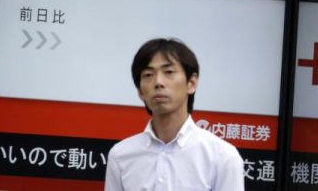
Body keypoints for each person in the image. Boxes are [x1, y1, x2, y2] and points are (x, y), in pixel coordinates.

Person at [104, 38, 245, 190]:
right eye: (148, 75)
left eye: (169, 72)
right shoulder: (120, 156)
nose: (158, 82)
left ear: (191, 83)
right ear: (140, 91)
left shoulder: (222, 157)